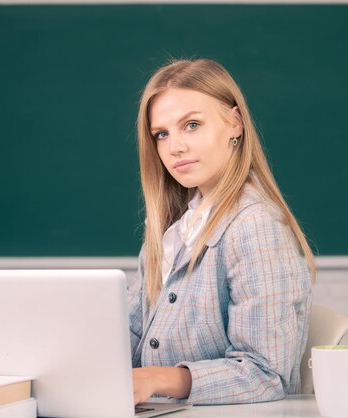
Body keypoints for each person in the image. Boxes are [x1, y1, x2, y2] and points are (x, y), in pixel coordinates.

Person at [129, 59, 315, 406]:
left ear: (235, 124)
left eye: (192, 125)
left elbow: (266, 375)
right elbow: (134, 331)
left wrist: (163, 377)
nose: (175, 147)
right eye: (162, 134)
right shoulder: (171, 229)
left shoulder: (254, 226)